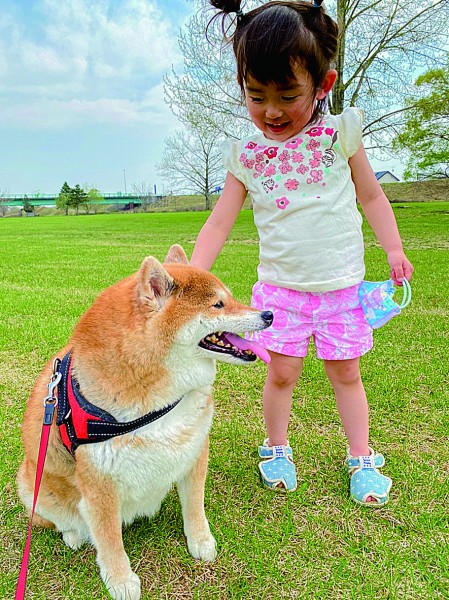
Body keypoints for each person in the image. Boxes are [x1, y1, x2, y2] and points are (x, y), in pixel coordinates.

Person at [191, 0, 414, 506]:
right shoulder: (246, 154)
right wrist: (192, 271)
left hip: (341, 289)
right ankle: (275, 447)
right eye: (255, 95)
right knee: (282, 372)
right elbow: (221, 218)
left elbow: (372, 195)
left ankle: (361, 456)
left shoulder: (341, 135)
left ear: (323, 85)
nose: (270, 110)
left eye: (287, 95)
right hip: (281, 292)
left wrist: (394, 248)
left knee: (347, 373)